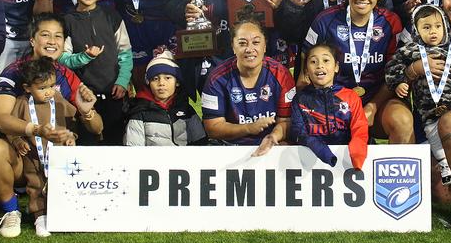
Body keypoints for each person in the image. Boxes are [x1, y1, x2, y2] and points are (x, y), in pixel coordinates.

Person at [0, 12, 96, 237]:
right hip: (23, 159)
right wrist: (34, 130)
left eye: (58, 36)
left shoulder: (66, 75)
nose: (52, 41)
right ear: (32, 40)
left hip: (58, 160)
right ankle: (11, 210)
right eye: (45, 35)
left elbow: (97, 128)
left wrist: (87, 111)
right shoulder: (14, 72)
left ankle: (56, 207)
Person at [386, 5, 451, 229]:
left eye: (438, 26)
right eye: (426, 27)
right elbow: (391, 71)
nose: (433, 31)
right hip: (430, 110)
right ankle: (448, 167)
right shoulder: (409, 52)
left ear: (446, 27)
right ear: (416, 30)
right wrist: (405, 77)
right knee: (434, 134)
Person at [299, 0, 411, 143]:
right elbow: (305, 71)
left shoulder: (391, 22)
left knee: (402, 120)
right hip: (334, 102)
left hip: (377, 100)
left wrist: (372, 107)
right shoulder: (325, 20)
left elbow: (394, 73)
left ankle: (395, 169)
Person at [6, 57, 102, 237]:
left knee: (63, 184)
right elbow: (11, 127)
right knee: (36, 183)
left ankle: (64, 215)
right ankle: (39, 216)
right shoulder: (22, 103)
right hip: (33, 155)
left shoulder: (58, 100)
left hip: (58, 155)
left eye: (51, 86)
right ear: (28, 88)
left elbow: (72, 124)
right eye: (42, 88)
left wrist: (71, 137)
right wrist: (17, 141)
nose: (48, 92)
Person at [58, 0, 132, 146]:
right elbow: (63, 59)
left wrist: (122, 81)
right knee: (88, 144)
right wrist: (85, 57)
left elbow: (125, 52)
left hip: (114, 94)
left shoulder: (112, 16)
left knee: (116, 142)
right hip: (84, 95)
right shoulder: (66, 21)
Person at [201, 12, 295, 152]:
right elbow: (212, 128)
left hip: (272, 146)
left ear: (264, 46)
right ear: (233, 47)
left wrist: (273, 137)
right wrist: (248, 128)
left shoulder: (282, 75)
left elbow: (286, 122)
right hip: (230, 148)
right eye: (242, 43)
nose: (249, 49)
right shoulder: (216, 78)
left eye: (256, 42)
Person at [290, 42, 368, 170]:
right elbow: (299, 132)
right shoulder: (300, 99)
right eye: (313, 62)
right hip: (313, 161)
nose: (320, 65)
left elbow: (360, 129)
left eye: (326, 60)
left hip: (348, 161)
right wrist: (322, 151)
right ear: (306, 71)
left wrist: (357, 157)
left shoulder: (350, 97)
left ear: (336, 66)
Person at [124, 50, 206, 146]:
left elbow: (200, 142)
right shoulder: (140, 113)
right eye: (155, 79)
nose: (161, 83)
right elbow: (133, 149)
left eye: (167, 78)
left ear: (177, 82)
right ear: (148, 83)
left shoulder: (187, 110)